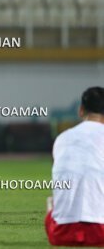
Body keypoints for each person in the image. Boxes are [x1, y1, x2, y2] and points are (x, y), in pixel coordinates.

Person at [45, 86, 104, 246]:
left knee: (53, 202)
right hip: (100, 231)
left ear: (81, 110)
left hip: (61, 233)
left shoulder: (62, 139)